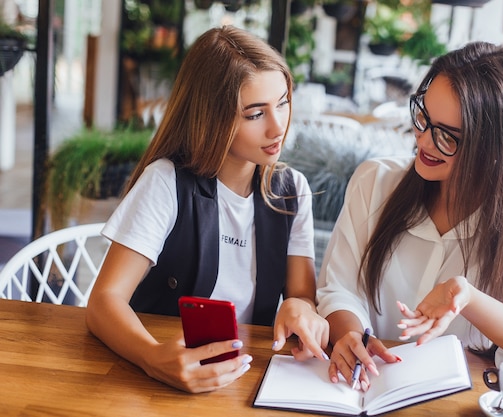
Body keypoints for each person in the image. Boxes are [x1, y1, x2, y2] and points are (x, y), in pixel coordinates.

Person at [315, 41, 503, 391]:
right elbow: (339, 289)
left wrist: (467, 298)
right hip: (366, 387)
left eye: (447, 136)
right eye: (423, 117)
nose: (423, 140)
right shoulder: (374, 182)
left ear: (496, 150)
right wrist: (350, 336)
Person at [85, 26, 329, 394]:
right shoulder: (165, 182)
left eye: (282, 102)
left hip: (244, 380)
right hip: (152, 382)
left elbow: (301, 294)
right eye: (254, 114)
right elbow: (104, 302)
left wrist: (301, 308)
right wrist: (152, 357)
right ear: (212, 116)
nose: (278, 126)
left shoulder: (292, 190)